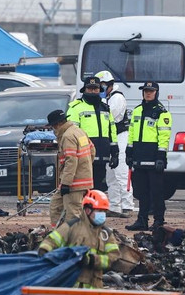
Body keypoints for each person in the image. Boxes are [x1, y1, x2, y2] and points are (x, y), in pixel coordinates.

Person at [38, 189, 120, 289]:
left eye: (104, 211)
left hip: (94, 288)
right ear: (88, 210)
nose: (102, 215)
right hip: (72, 286)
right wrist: (44, 252)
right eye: (99, 211)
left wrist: (93, 260)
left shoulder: (106, 233)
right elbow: (51, 241)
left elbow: (113, 257)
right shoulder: (72, 227)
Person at [126, 81, 173, 231]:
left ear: (156, 92)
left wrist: (161, 156)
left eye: (151, 91)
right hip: (139, 156)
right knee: (141, 192)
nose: (148, 93)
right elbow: (132, 133)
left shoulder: (162, 112)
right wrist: (129, 151)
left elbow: (164, 136)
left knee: (157, 192)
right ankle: (142, 220)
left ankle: (159, 221)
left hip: (154, 158)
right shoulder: (137, 111)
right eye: (146, 90)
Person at [67, 76, 118, 192]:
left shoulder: (105, 108)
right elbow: (72, 133)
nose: (93, 91)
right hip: (84, 155)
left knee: (98, 188)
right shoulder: (76, 108)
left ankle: (95, 210)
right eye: (90, 88)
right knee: (84, 188)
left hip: (102, 154)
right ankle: (84, 210)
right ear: (84, 90)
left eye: (95, 89)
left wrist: (115, 151)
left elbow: (112, 130)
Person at [47, 109, 95, 226]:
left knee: (73, 213)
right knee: (56, 205)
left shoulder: (68, 136)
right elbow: (92, 150)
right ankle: (60, 234)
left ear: (57, 124)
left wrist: (66, 183)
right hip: (81, 179)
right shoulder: (79, 132)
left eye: (53, 127)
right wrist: (85, 168)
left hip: (74, 183)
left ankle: (74, 239)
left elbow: (71, 160)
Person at [95, 70, 134, 216]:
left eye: (102, 86)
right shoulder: (106, 98)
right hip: (110, 139)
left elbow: (112, 117)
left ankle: (127, 205)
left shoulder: (117, 98)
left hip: (120, 137)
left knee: (122, 173)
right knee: (110, 173)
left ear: (109, 84)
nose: (100, 89)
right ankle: (114, 206)